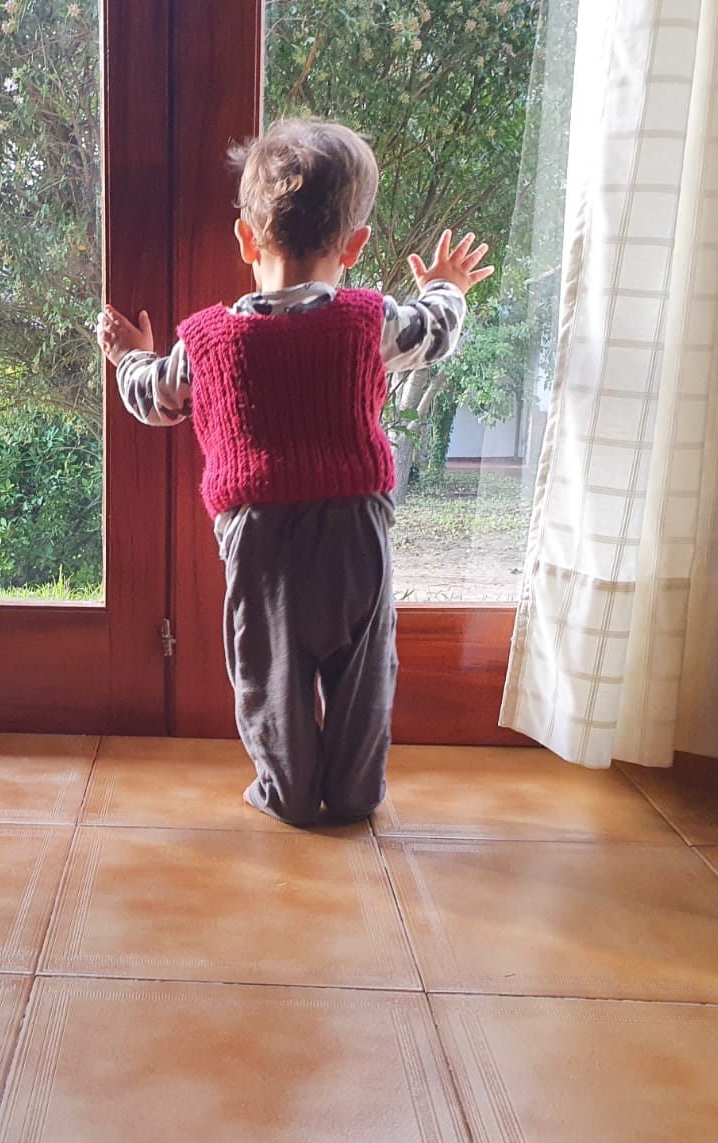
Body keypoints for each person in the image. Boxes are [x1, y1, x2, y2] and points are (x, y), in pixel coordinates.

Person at [96, 117, 494, 826]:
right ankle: (352, 792)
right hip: (355, 530)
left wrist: (130, 354)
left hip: (260, 537)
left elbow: (153, 401)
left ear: (246, 240)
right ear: (356, 246)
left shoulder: (207, 342)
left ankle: (286, 791)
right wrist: (446, 285)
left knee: (270, 671)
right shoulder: (369, 322)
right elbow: (436, 333)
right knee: (364, 671)